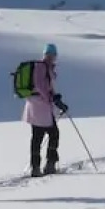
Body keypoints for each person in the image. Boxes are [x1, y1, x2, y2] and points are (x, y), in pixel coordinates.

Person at [22, 42, 67, 176]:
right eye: (50, 54)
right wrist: (51, 98)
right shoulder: (41, 67)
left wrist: (55, 99)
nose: (51, 57)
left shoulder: (45, 67)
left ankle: (37, 167)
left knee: (38, 136)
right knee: (52, 134)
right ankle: (48, 165)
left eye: (52, 55)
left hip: (37, 107)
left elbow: (46, 87)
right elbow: (41, 86)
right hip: (40, 107)